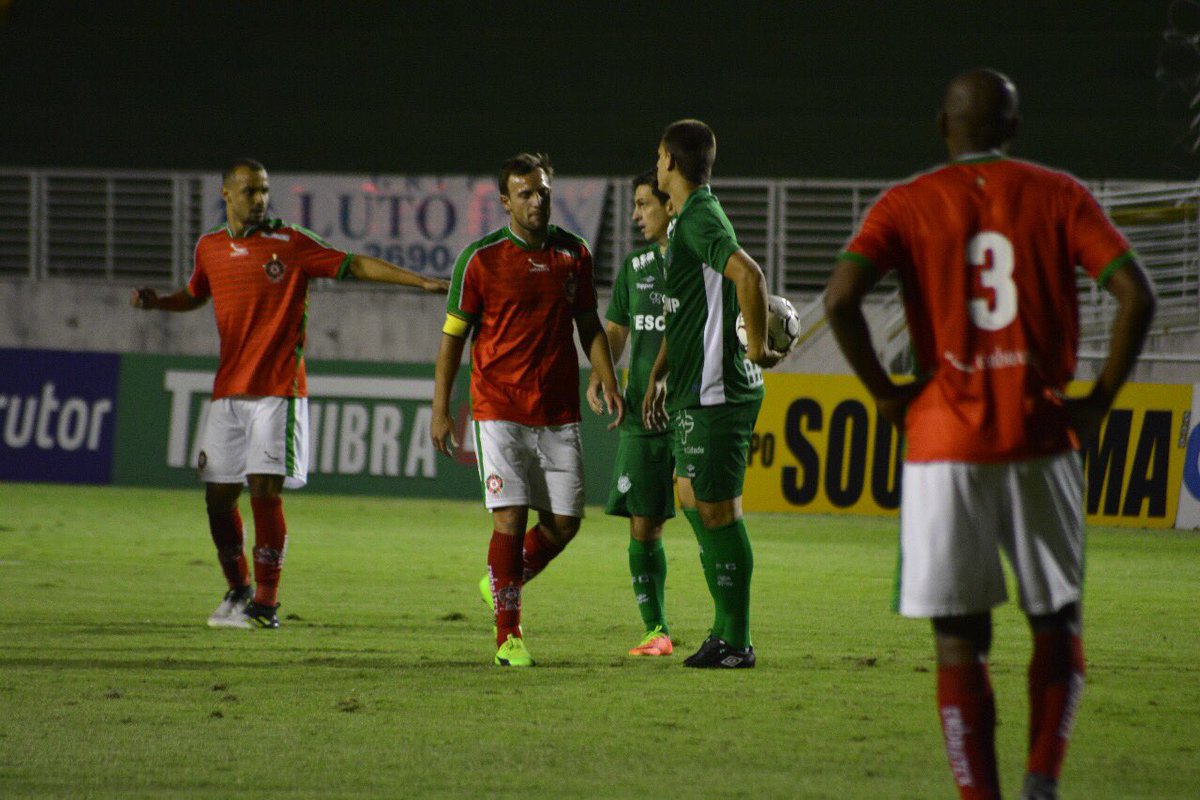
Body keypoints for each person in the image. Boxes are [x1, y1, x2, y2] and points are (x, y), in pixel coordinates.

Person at [824, 69, 1155, 800]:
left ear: (944, 127)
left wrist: (885, 394)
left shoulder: (906, 203)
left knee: (957, 641)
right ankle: (1042, 783)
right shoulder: (1059, 193)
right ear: (1013, 129)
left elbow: (842, 297)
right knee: (1057, 621)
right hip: (1041, 436)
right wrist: (1097, 401)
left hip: (943, 445)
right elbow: (1138, 294)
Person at [132, 158, 449, 630]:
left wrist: (418, 280)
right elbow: (198, 293)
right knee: (218, 499)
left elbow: (353, 264)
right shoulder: (210, 248)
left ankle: (265, 602)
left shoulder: (290, 243)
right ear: (226, 194)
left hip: (279, 391)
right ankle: (237, 588)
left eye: (263, 190)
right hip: (228, 394)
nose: (259, 199)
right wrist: (161, 302)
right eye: (249, 191)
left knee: (263, 489)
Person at [430, 152, 623, 668]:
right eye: (525, 193)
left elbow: (589, 324)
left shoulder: (573, 254)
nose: (537, 201)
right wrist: (441, 408)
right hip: (498, 409)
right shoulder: (480, 259)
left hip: (558, 411)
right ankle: (508, 636)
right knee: (510, 519)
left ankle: (499, 580)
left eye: (543, 192)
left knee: (565, 524)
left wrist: (608, 376)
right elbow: (453, 341)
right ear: (505, 202)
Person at [643, 120, 784, 669]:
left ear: (671, 163)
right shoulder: (685, 221)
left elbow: (747, 275)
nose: (656, 165)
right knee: (690, 498)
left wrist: (756, 351)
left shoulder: (699, 216)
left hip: (716, 391)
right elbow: (687, 311)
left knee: (718, 513)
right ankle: (723, 630)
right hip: (690, 389)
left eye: (659, 157)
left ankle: (737, 640)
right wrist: (659, 372)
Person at [587, 170, 676, 657]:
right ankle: (656, 630)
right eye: (635, 205)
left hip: (688, 407)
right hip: (642, 414)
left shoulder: (697, 261)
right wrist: (603, 370)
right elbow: (617, 329)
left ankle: (729, 627)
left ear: (670, 204)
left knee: (711, 514)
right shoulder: (635, 265)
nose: (637, 214)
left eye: (645, 204)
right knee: (643, 525)